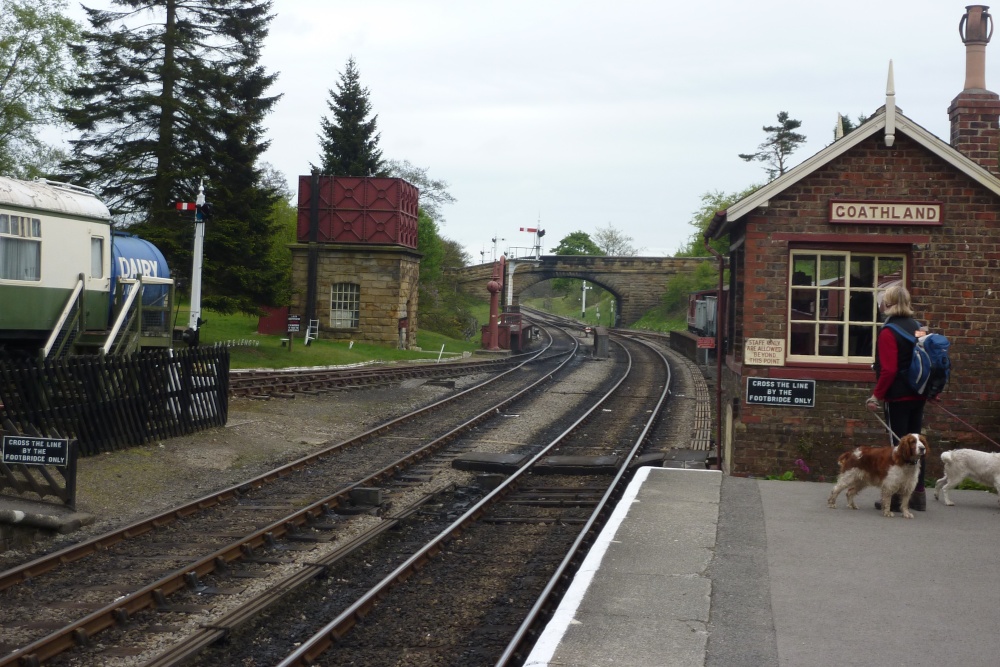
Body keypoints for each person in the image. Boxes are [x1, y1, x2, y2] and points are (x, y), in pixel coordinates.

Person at [866, 284, 928, 511]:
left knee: (899, 448)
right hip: (918, 394)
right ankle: (918, 494)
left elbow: (889, 370)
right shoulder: (919, 327)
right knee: (918, 445)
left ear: (888, 303)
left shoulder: (888, 331)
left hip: (897, 397)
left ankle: (893, 497)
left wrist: (876, 396)